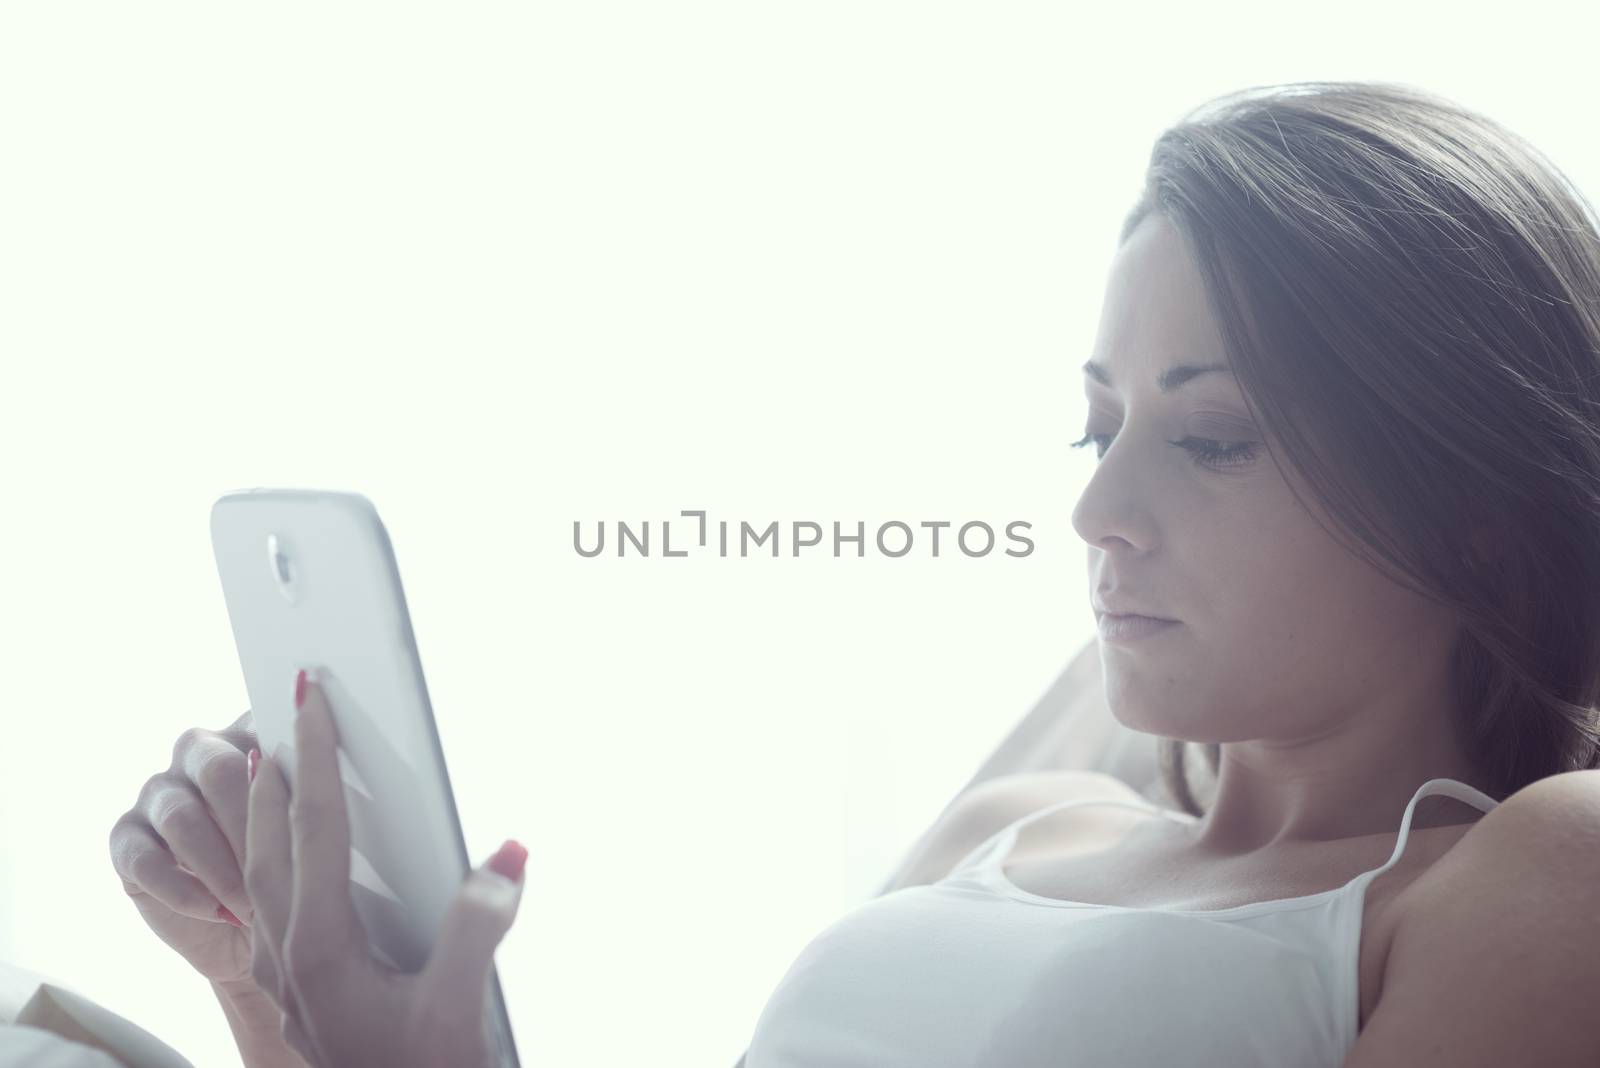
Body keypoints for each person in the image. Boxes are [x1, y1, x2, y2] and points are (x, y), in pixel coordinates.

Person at [109, 79, 1600, 1067]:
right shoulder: (1019, 825)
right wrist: (276, 983)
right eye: (1094, 429)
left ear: (1470, 509)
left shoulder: (1522, 879)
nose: (1099, 515)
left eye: (1210, 440)